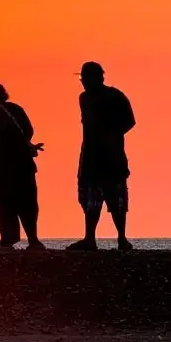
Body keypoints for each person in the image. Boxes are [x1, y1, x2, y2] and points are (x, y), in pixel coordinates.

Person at [68, 61, 136, 251]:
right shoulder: (84, 99)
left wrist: (111, 133)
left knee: (117, 199)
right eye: (82, 78)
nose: (83, 82)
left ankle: (121, 238)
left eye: (86, 78)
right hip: (91, 156)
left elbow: (130, 122)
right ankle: (90, 238)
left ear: (98, 78)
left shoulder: (115, 97)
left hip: (111, 157)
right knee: (90, 200)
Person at [0, 81, 44, 250]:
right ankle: (33, 239)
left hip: (1, 165)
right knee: (28, 201)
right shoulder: (16, 109)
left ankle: (8, 239)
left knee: (5, 203)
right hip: (23, 162)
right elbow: (29, 131)